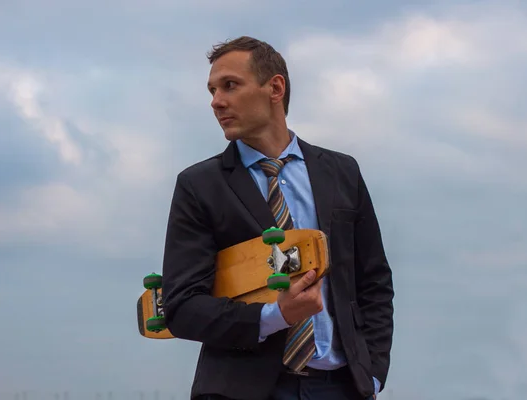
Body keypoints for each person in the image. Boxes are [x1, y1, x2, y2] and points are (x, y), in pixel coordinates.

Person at [161, 36, 394, 400]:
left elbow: (374, 281)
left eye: (230, 86)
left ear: (275, 87)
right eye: (212, 90)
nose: (216, 101)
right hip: (243, 391)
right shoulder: (198, 185)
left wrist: (372, 374)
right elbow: (182, 306)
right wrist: (276, 316)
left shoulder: (342, 172)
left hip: (342, 388)